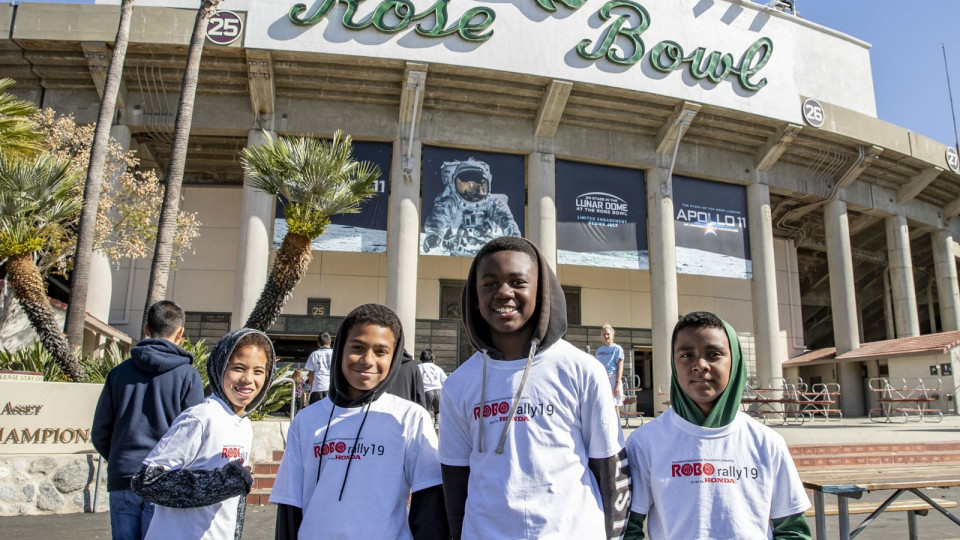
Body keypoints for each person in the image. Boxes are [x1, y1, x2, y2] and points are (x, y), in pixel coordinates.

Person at [439, 236, 630, 539]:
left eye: (517, 282)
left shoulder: (582, 370)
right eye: (489, 284)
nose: (503, 292)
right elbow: (454, 479)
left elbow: (610, 471)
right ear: (474, 297)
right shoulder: (458, 385)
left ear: (542, 292)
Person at [624, 311, 811, 539]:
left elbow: (792, 530)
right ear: (673, 363)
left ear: (735, 361)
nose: (700, 365)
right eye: (686, 355)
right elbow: (628, 528)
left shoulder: (767, 442)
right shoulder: (645, 442)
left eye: (713, 354)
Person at [270, 303, 448, 540]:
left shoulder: (411, 417)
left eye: (381, 351)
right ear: (340, 349)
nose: (367, 360)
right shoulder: (306, 421)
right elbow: (290, 508)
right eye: (357, 347)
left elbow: (429, 511)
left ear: (394, 357)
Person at [131, 327, 276, 540]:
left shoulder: (243, 425)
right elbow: (146, 481)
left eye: (258, 371)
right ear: (220, 368)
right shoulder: (201, 417)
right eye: (238, 368)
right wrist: (221, 482)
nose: (247, 379)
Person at [91, 300, 204, 540]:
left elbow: (100, 432)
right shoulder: (188, 376)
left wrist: (121, 459)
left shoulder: (118, 373)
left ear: (146, 329)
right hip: (164, 479)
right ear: (181, 332)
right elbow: (194, 435)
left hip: (123, 478)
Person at [421, 157, 522, 257]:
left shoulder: (494, 202)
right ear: (454, 185)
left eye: (478, 185)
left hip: (488, 255)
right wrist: (434, 235)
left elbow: (508, 222)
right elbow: (439, 218)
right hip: (458, 253)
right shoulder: (451, 203)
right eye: (466, 185)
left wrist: (515, 242)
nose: (472, 192)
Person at [595, 323, 625, 416]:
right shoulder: (599, 350)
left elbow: (620, 366)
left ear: (612, 335)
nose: (606, 336)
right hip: (602, 380)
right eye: (604, 334)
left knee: (614, 406)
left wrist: (617, 383)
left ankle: (617, 428)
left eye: (608, 334)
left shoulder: (617, 349)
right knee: (603, 405)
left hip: (613, 379)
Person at [418, 348, 447, 421]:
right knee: (438, 411)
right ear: (432, 358)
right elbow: (445, 381)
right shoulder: (437, 368)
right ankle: (437, 426)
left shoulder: (419, 367)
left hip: (426, 391)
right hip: (438, 391)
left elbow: (417, 380)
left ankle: (427, 426)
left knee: (425, 412)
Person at [305, 332, 333, 404]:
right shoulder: (334, 353)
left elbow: (311, 374)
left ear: (318, 343)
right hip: (331, 388)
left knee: (316, 412)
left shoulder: (314, 354)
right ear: (330, 342)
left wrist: (312, 386)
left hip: (317, 387)